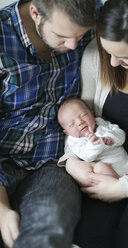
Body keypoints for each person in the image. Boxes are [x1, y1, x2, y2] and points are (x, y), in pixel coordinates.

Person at [0, 0, 102, 247]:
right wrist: (2, 210)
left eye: (81, 36)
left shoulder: (97, 15)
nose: (73, 46)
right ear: (35, 13)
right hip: (3, 159)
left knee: (48, 228)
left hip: (52, 163)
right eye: (62, 36)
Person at [64, 0, 128, 247]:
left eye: (125, 56)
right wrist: (71, 161)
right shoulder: (94, 56)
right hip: (108, 167)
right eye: (108, 51)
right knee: (87, 236)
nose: (112, 63)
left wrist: (124, 187)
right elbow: (79, 118)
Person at [58, 98, 128, 179]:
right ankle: (119, 184)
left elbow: (121, 135)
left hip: (127, 168)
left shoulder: (101, 123)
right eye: (72, 124)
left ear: (92, 114)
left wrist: (111, 138)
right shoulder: (74, 141)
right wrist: (94, 143)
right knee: (99, 168)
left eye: (83, 115)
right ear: (67, 132)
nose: (79, 122)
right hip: (108, 173)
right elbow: (87, 156)